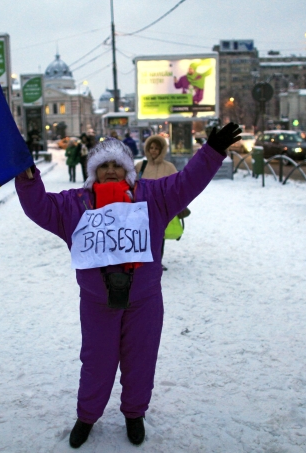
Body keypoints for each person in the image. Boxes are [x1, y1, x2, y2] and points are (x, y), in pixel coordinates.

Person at [15, 123, 242, 448]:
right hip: (97, 304)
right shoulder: (74, 204)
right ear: (93, 172)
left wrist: (212, 151)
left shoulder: (154, 196)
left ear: (127, 169)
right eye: (103, 165)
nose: (110, 170)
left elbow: (188, 181)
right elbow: (39, 207)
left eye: (116, 164)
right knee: (97, 363)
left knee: (141, 359)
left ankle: (134, 414)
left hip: (144, 301)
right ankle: (87, 416)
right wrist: (26, 178)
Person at [134, 134, 185, 271]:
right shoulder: (140, 166)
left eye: (157, 148)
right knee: (142, 235)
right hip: (142, 207)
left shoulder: (169, 167)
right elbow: (131, 184)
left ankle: (157, 261)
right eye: (151, 148)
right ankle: (141, 260)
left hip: (161, 208)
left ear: (162, 149)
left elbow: (177, 186)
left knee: (159, 236)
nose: (153, 150)